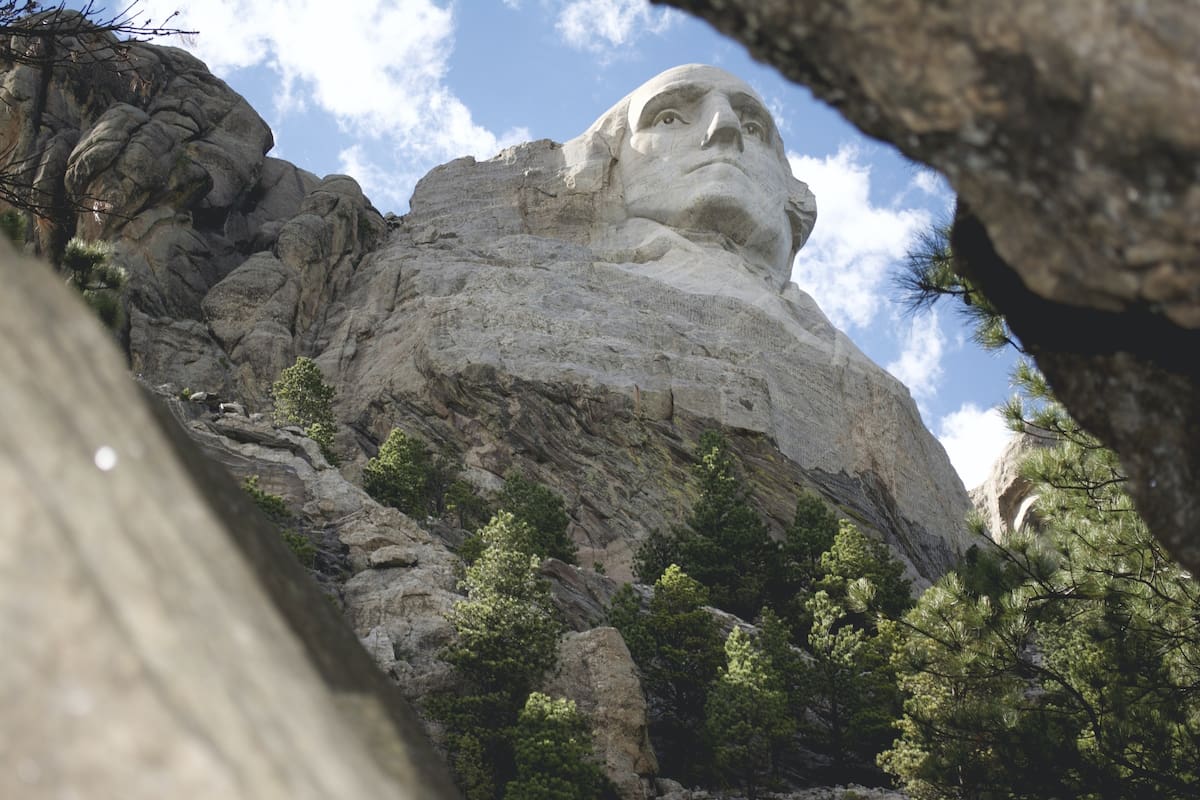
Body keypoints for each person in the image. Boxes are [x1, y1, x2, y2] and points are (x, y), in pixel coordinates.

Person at [563, 64, 816, 290]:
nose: (725, 125)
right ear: (608, 159)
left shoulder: (825, 339)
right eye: (670, 118)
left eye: (753, 129)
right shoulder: (568, 285)